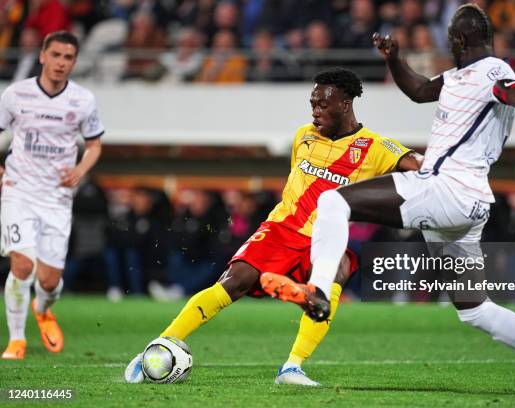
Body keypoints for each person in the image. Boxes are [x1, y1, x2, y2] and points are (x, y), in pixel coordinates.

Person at [262, 4, 515, 399]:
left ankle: (318, 291)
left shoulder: (494, 71)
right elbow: (420, 90)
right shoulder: (458, 77)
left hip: (446, 189)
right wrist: (395, 59)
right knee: (476, 309)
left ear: (458, 40)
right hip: (466, 205)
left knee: (335, 202)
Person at [125, 67, 423, 386]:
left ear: (346, 104)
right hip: (280, 230)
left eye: (323, 105)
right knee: (233, 281)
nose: (315, 111)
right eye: (313, 104)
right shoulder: (303, 136)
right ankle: (154, 350)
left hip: (324, 238)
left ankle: (292, 368)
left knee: (337, 271)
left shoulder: (376, 147)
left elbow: (421, 166)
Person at [1, 31, 104, 359]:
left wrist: (80, 170)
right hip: (19, 190)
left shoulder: (83, 100)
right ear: (43, 56)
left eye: (68, 57)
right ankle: (16, 339)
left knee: (48, 281)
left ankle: (43, 309)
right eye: (56, 55)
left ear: (74, 62)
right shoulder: (16, 94)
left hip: (57, 198)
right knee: (22, 264)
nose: (61, 63)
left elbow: (94, 144)